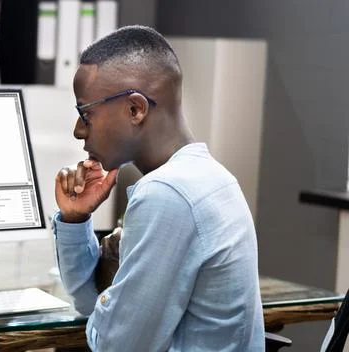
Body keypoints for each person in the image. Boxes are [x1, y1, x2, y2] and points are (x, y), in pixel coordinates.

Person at [52, 25, 264, 351]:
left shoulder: (168, 194)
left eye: (85, 114)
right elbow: (89, 305)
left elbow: (116, 345)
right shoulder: (213, 177)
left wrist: (112, 293)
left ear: (135, 109)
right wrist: (75, 220)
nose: (79, 131)